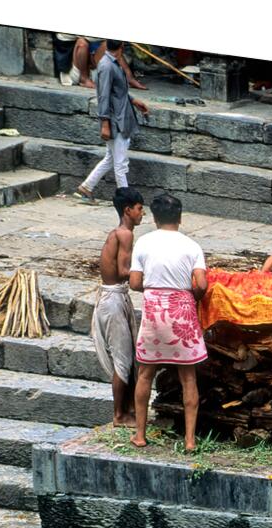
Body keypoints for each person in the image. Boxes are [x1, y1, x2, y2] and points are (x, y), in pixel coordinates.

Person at [129, 194, 208, 452]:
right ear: (180, 218)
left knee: (145, 373)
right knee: (188, 378)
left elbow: (134, 283)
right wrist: (190, 295)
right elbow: (202, 284)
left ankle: (140, 435)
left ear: (154, 218)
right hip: (182, 309)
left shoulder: (143, 242)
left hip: (154, 309)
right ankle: (190, 441)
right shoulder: (192, 246)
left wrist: (155, 289)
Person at [91, 187, 146, 428]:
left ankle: (127, 410)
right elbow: (125, 272)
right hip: (113, 300)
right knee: (123, 360)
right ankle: (119, 415)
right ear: (128, 210)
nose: (142, 213)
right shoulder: (125, 234)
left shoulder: (120, 233)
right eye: (139, 209)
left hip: (114, 297)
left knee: (128, 357)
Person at [74, 40, 149, 204]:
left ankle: (87, 186)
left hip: (120, 116)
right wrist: (105, 123)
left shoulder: (112, 64)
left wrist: (134, 100)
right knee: (120, 164)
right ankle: (126, 200)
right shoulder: (107, 66)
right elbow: (104, 96)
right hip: (116, 121)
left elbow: (118, 92)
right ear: (121, 46)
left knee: (111, 158)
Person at [54, 34, 147, 90]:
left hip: (95, 71)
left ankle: (130, 79)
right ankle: (84, 80)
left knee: (109, 45)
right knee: (82, 43)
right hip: (74, 74)